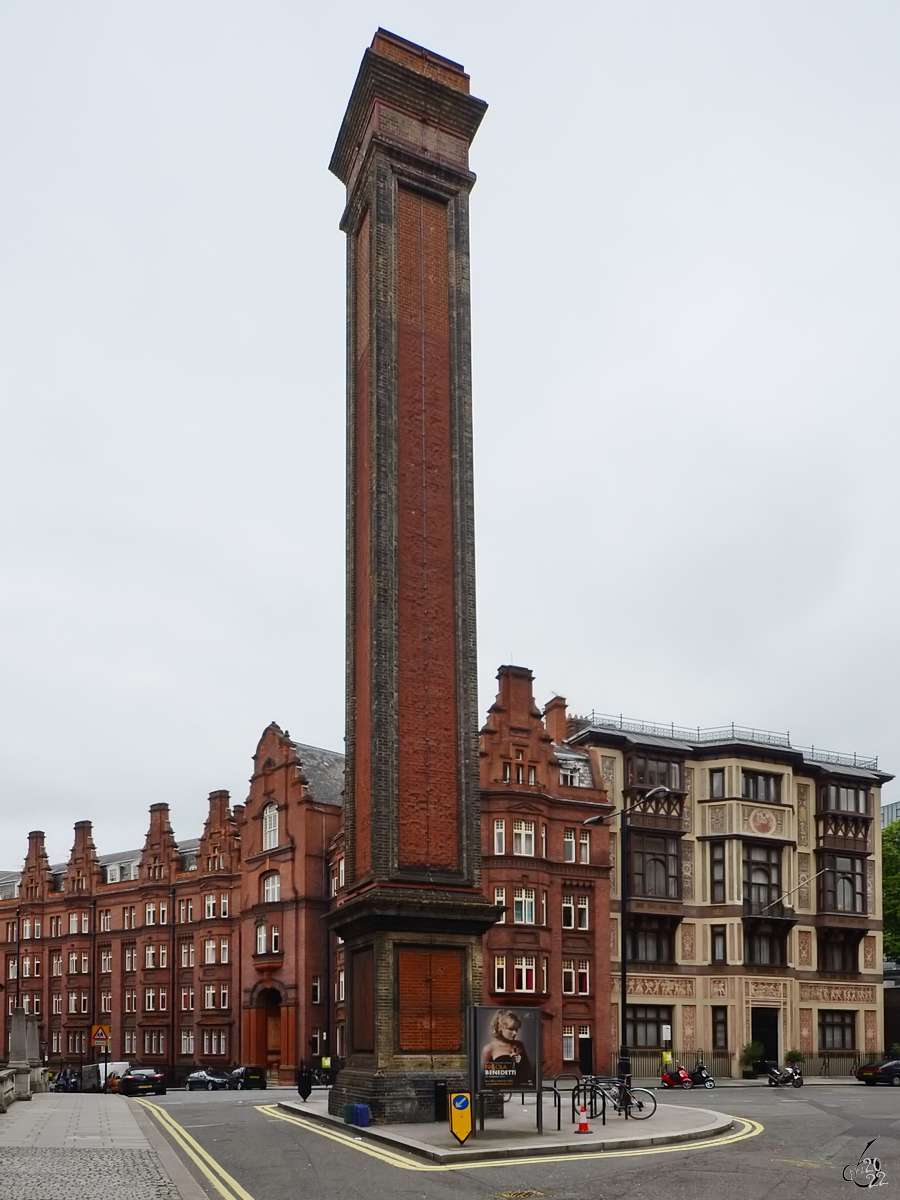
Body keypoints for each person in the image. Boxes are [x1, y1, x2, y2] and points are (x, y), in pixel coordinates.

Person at [481, 1010, 532, 1088]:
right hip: (499, 1090)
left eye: (516, 1029)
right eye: (511, 1029)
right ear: (500, 1027)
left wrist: (519, 1061)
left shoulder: (519, 1045)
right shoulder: (489, 1049)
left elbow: (529, 1072)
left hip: (518, 1089)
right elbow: (486, 1076)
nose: (515, 1033)